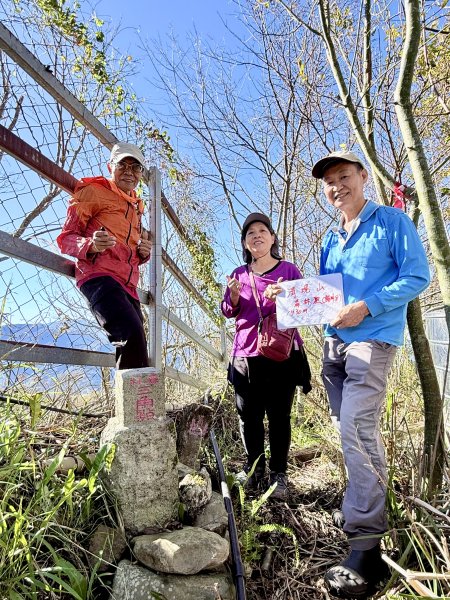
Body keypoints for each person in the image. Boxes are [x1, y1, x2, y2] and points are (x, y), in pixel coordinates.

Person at [312, 150, 430, 597]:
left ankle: (365, 545)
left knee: (357, 430)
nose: (336, 185)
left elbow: (419, 275)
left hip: (372, 340)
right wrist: (294, 293)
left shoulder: (391, 222)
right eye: (329, 181)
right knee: (351, 429)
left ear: (362, 177)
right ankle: (365, 507)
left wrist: (368, 305)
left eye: (344, 175)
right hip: (333, 344)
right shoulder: (330, 237)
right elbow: (327, 293)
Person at [221, 213, 311, 500]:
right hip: (246, 355)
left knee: (279, 417)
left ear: (272, 238)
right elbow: (227, 311)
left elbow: (305, 309)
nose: (256, 235)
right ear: (246, 243)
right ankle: (253, 469)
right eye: (250, 233)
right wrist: (233, 297)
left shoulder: (289, 271)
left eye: (262, 230)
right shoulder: (238, 274)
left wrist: (284, 296)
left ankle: (279, 474)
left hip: (282, 354)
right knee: (249, 417)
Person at [57, 142, 152, 370]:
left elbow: (129, 252)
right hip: (98, 276)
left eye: (135, 167)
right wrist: (90, 244)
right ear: (110, 166)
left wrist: (143, 253)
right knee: (131, 333)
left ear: (140, 173)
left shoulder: (136, 207)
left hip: (127, 284)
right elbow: (66, 238)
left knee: (136, 343)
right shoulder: (94, 192)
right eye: (123, 165)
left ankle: (132, 402)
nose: (129, 172)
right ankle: (134, 404)